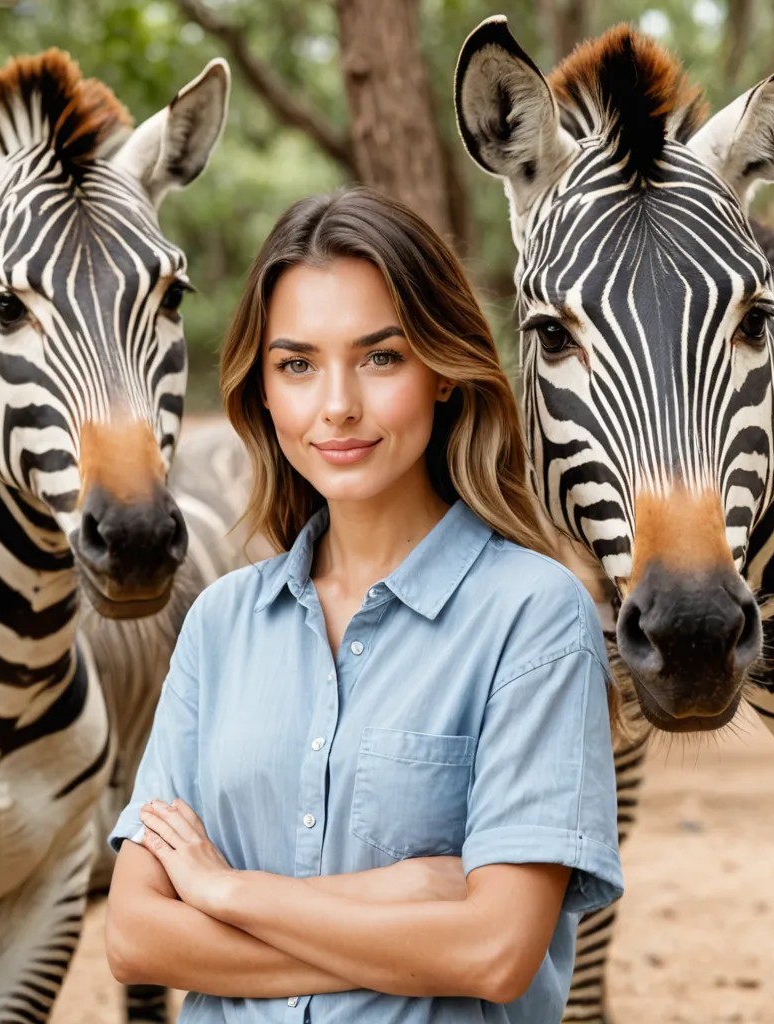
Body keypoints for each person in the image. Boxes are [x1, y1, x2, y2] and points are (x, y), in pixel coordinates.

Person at [104, 186, 622, 1022]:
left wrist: (225, 890)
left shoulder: (534, 618)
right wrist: (407, 899)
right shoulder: (220, 626)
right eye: (298, 364)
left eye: (381, 357)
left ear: (445, 373)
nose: (337, 403)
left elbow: (494, 953)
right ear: (264, 394)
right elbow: (136, 936)